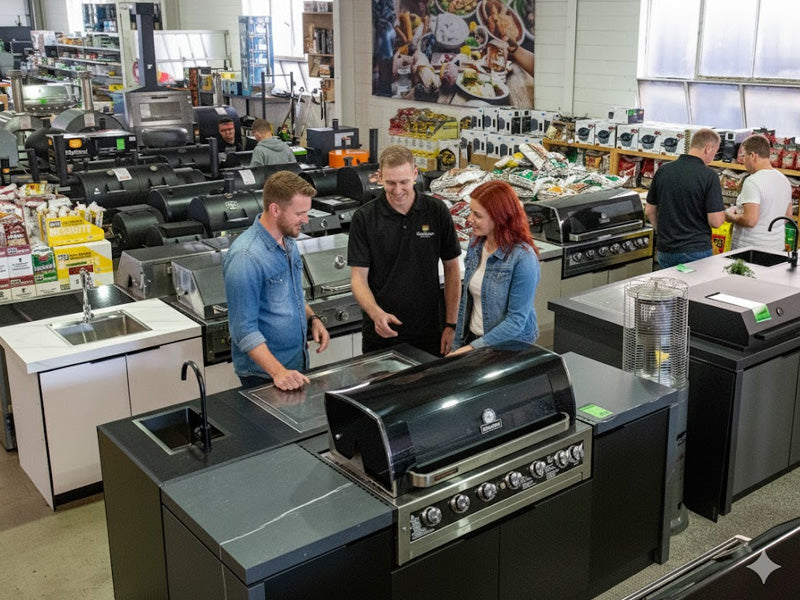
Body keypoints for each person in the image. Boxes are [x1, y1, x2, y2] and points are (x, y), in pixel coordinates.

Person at [348, 145, 461, 357]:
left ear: (415, 174)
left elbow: (452, 270)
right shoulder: (364, 218)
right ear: (379, 177)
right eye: (390, 183)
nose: (398, 190)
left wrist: (451, 324)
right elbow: (358, 279)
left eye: (404, 182)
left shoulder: (436, 211)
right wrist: (375, 313)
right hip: (381, 334)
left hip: (429, 331)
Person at [223, 171, 330, 390]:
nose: (306, 220)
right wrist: (278, 372)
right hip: (265, 377)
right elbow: (243, 330)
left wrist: (313, 319)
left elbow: (293, 294)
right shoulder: (246, 257)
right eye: (300, 213)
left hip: (294, 366)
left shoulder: (288, 240)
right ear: (275, 209)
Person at [448, 180, 540, 355]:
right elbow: (466, 302)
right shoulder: (476, 245)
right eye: (470, 212)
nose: (469, 220)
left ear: (499, 217)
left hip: (510, 349)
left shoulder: (523, 258)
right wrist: (458, 345)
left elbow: (515, 321)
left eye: (477, 215)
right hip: (475, 340)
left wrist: (470, 349)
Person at [645, 128, 725, 268]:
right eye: (715, 152)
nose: (713, 157)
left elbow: (650, 210)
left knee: (670, 287)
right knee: (694, 289)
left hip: (666, 250)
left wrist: (662, 234)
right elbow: (716, 221)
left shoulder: (663, 170)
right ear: (707, 148)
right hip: (695, 251)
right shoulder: (709, 176)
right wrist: (727, 214)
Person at [726, 134, 793, 252]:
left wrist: (731, 216)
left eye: (744, 156)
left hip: (751, 249)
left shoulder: (752, 181)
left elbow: (750, 220)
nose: (743, 161)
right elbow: (787, 216)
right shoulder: (784, 180)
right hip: (776, 247)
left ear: (752, 156)